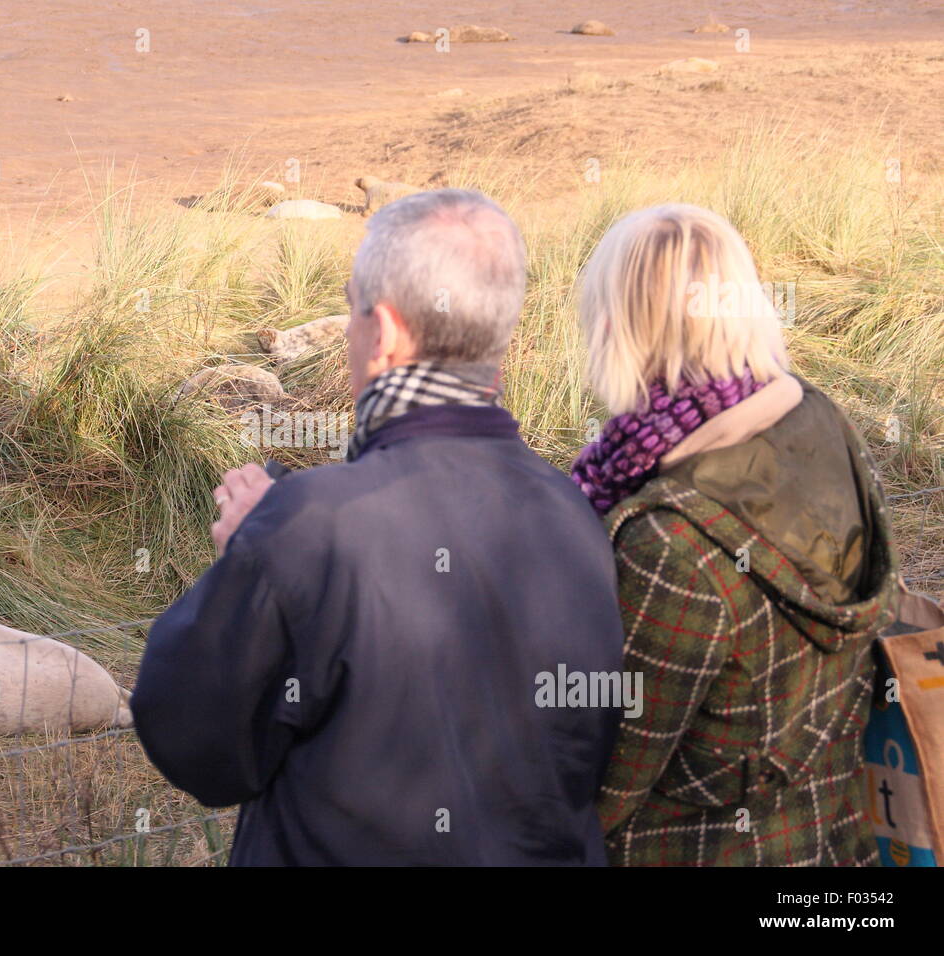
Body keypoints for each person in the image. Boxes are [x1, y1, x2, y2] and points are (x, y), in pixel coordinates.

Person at [132, 189, 626, 865]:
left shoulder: (312, 524)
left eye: (350, 306)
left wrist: (250, 554)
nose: (346, 332)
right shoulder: (572, 511)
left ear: (385, 333)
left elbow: (198, 746)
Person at [572, 203, 901, 866]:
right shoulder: (816, 418)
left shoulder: (667, 541)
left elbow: (605, 783)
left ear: (619, 326)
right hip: (835, 841)